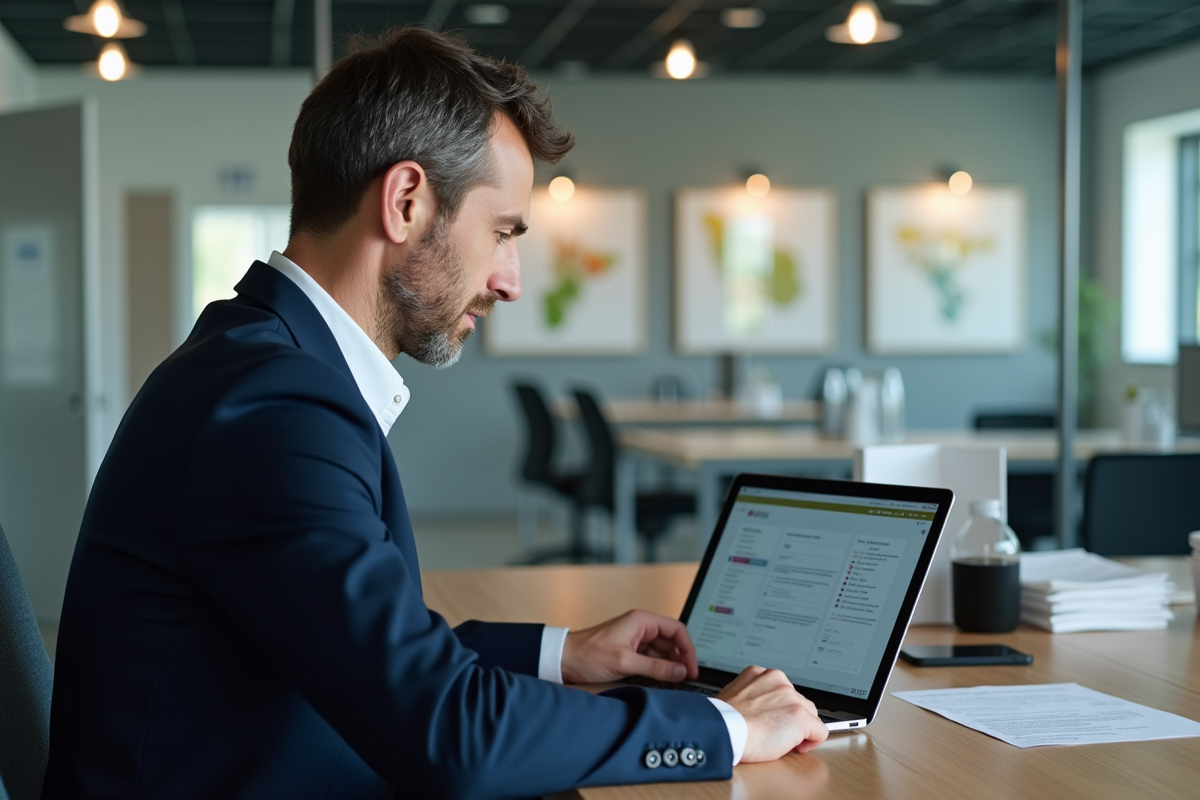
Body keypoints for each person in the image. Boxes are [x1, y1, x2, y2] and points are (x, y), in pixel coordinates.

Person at [41, 26, 827, 800]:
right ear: (407, 200)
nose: (511, 280)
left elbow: (369, 649)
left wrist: (566, 653)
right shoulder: (276, 405)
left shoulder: (257, 360)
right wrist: (721, 727)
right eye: (503, 232)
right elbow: (451, 732)